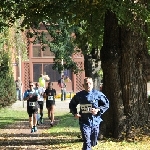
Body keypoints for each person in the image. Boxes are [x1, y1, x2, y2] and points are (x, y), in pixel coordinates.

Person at [69, 77, 109, 150]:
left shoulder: (98, 94)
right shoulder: (79, 95)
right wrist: (75, 113)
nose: (88, 85)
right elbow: (72, 104)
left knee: (93, 142)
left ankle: (90, 144)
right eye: (86, 84)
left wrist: (98, 110)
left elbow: (106, 104)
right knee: (87, 141)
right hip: (84, 122)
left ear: (93, 84)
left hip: (95, 122)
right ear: (83, 85)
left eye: (90, 83)